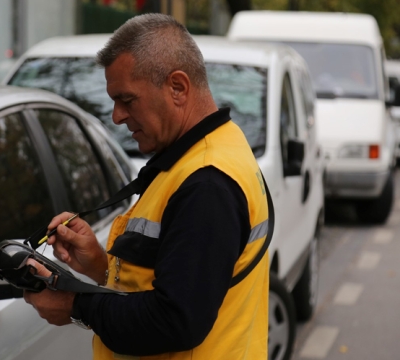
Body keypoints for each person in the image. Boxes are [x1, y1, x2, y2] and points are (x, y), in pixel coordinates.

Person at [24, 13, 270, 359]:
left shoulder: (206, 184)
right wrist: (99, 266)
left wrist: (77, 305)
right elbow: (175, 277)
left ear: (178, 88)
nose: (116, 116)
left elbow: (176, 320)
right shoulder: (212, 149)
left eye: (127, 99)